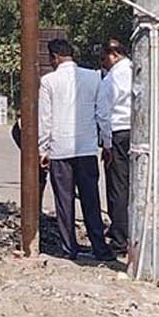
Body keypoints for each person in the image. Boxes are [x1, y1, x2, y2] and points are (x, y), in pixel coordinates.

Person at [38, 37, 112, 261]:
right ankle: (99, 247)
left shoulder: (48, 81)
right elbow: (103, 115)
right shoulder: (94, 77)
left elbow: (45, 118)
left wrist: (43, 149)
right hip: (87, 148)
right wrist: (107, 144)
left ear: (55, 57)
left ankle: (70, 249)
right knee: (91, 200)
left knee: (64, 201)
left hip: (60, 149)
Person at [95, 38, 133, 255]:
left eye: (103, 58)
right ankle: (131, 232)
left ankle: (119, 239)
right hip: (137, 133)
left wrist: (106, 145)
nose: (103, 63)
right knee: (135, 186)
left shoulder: (112, 78)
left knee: (118, 187)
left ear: (113, 55)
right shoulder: (137, 70)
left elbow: (103, 113)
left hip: (118, 134)